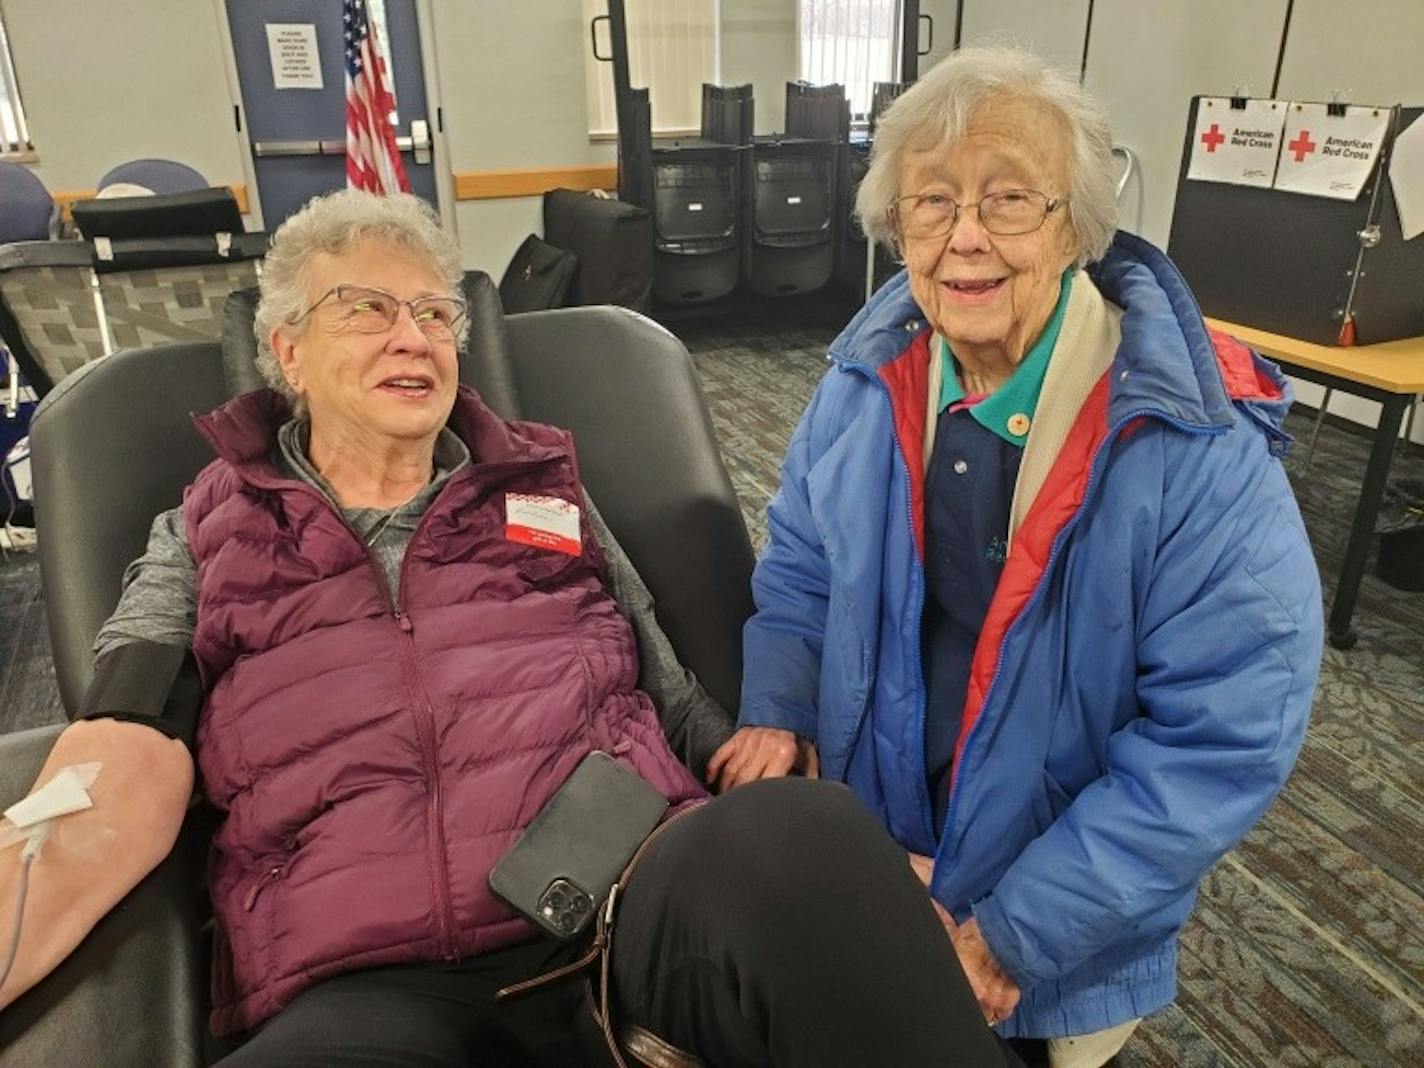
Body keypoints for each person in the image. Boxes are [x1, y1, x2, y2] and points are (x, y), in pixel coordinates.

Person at [0, 189, 1017, 1068]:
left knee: (804, 827)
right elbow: (119, 750)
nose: (414, 336)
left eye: (434, 313)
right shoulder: (203, 531)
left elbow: (677, 703)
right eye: (367, 308)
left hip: (623, 908)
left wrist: (858, 880)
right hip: (362, 976)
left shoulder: (540, 490)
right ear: (288, 352)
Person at [709, 45, 1324, 1068]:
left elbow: (1219, 734)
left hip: (1049, 916)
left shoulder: (1185, 442)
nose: (962, 238)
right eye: (930, 202)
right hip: (876, 856)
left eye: (1006, 200)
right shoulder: (867, 384)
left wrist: (1015, 934)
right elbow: (802, 572)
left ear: (1077, 224)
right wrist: (776, 701)